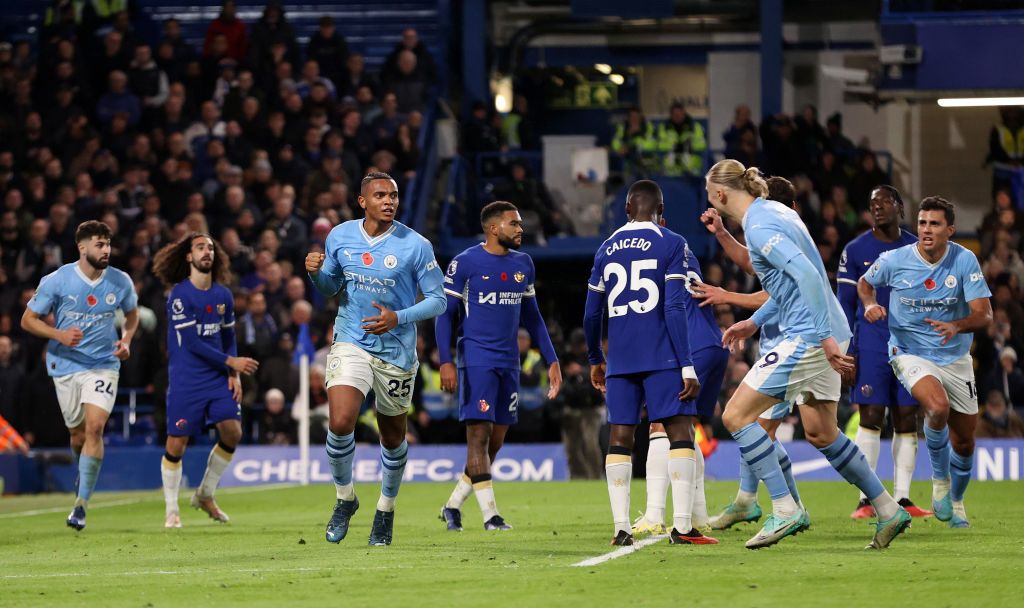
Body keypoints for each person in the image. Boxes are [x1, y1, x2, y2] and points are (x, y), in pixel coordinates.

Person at [705, 159, 910, 550]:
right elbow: (784, 281)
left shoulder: (761, 224)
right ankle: (888, 508)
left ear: (719, 194)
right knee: (821, 432)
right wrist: (755, 320)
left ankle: (784, 508)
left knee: (735, 415)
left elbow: (809, 277)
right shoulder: (774, 212)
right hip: (826, 329)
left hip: (808, 336)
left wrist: (823, 340)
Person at [306, 171, 446, 546]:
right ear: (362, 201)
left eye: (394, 195)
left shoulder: (416, 245)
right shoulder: (340, 235)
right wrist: (317, 274)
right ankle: (344, 499)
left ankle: (385, 510)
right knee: (340, 421)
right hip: (352, 340)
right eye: (381, 195)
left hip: (397, 353)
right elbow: (332, 287)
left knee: (393, 437)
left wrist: (397, 318)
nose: (389, 201)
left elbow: (438, 299)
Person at [583, 179, 710, 546]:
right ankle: (683, 527)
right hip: (663, 357)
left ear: (626, 209)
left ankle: (621, 528)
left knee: (620, 437)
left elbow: (592, 314)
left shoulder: (605, 249)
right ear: (661, 210)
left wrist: (596, 358)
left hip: (621, 360)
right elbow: (673, 306)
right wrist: (686, 364)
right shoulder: (672, 243)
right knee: (680, 432)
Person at [859, 196, 993, 529]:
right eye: (921, 223)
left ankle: (956, 500)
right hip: (909, 351)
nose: (926, 230)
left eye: (934, 224)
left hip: (955, 355)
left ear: (950, 229)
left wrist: (957, 325)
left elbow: (984, 314)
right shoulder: (894, 260)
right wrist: (869, 304)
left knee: (964, 442)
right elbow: (865, 284)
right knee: (936, 408)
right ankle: (939, 484)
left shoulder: (964, 261)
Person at [434, 201, 562, 532]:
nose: (521, 229)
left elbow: (532, 317)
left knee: (495, 443)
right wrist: (446, 361)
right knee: (478, 437)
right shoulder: (465, 263)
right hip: (476, 358)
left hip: (509, 362)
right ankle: (491, 516)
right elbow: (445, 315)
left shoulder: (524, 264)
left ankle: (451, 506)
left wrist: (552, 359)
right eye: (514, 224)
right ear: (493, 228)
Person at [691, 177, 805, 530]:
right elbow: (753, 266)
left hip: (796, 342)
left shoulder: (781, 231)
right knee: (815, 433)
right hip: (781, 340)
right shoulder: (778, 231)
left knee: (750, 423)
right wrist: (723, 234)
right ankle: (784, 505)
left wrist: (728, 297)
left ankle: (755, 503)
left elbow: (780, 294)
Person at [20, 221, 139, 531]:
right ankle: (82, 471)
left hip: (103, 364)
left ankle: (81, 505)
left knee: (95, 429)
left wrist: (125, 341)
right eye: (100, 244)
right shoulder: (57, 280)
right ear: (82, 247)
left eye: (108, 244)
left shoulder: (120, 281)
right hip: (66, 365)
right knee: (77, 434)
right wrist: (58, 334)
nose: (107, 250)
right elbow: (28, 320)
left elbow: (132, 315)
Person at [631, 208, 730, 541]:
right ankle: (698, 516)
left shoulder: (650, 250)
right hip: (711, 342)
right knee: (685, 429)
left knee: (662, 423)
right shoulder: (682, 248)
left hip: (688, 344)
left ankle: (655, 515)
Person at [152, 233, 259, 528]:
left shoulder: (223, 295)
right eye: (200, 247)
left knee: (233, 431)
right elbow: (191, 342)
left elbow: (228, 338)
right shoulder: (179, 295)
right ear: (189, 256)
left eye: (210, 247)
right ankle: (172, 509)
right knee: (177, 443)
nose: (206, 251)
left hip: (216, 377)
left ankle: (205, 494)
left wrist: (234, 374)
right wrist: (231, 363)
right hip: (187, 378)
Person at [836, 186, 931, 519]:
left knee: (907, 417)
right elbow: (845, 306)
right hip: (872, 342)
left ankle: (903, 498)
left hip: (911, 343)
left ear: (900, 208)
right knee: (871, 415)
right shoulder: (856, 249)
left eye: (885, 202)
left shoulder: (916, 248)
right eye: (872, 204)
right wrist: (846, 350)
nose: (877, 208)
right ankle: (868, 499)